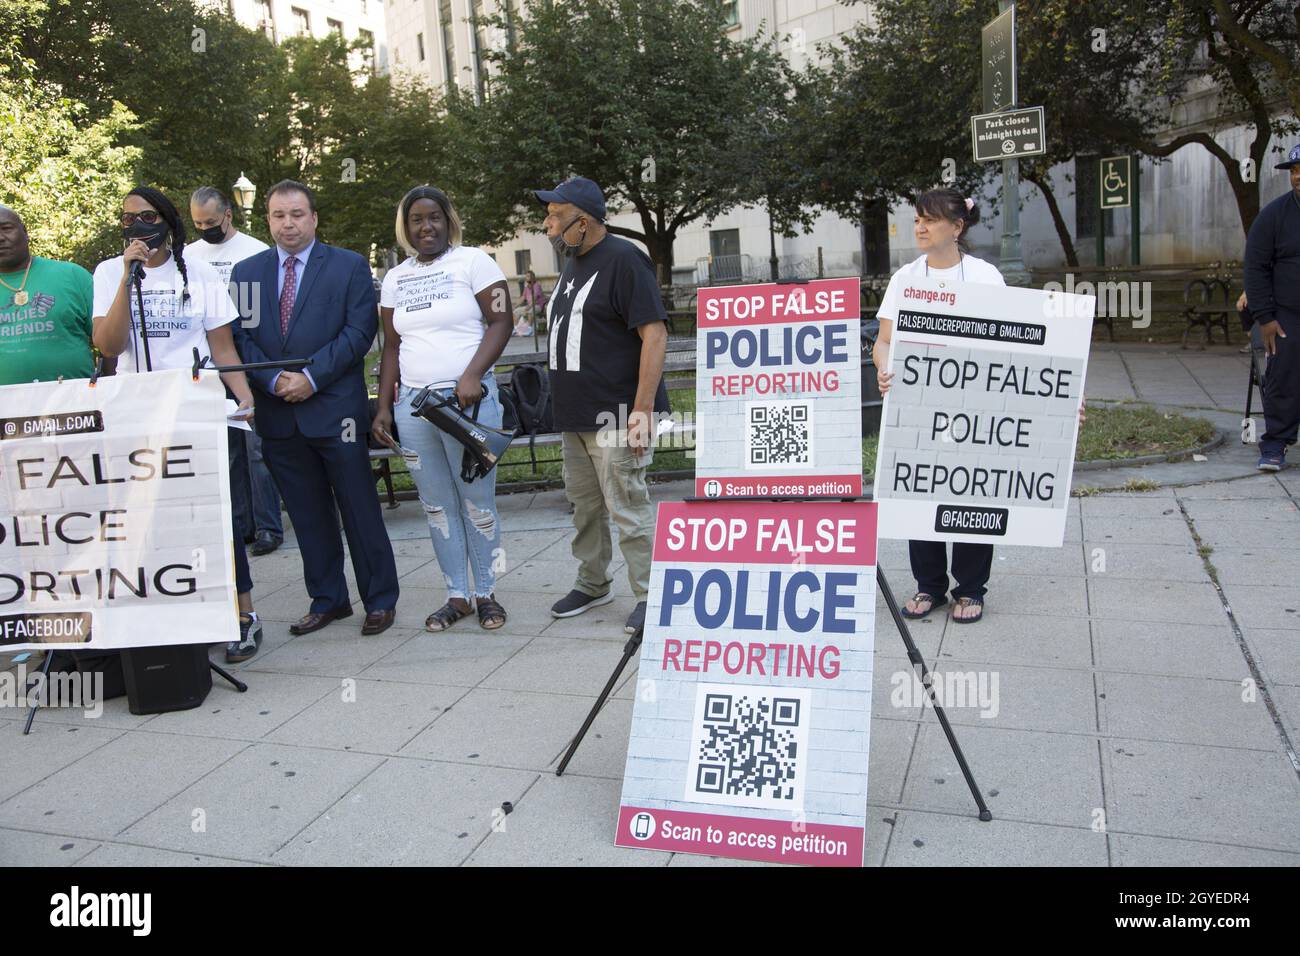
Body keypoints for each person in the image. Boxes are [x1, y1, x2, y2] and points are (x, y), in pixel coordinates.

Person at [90, 186, 264, 662]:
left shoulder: (201, 271)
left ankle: (242, 614)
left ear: (167, 221)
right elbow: (108, 346)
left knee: (215, 516)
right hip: (136, 415)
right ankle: (177, 614)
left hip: (196, 409)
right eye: (127, 218)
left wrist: (245, 396)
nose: (137, 226)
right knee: (150, 521)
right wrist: (129, 276)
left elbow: (223, 347)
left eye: (147, 216)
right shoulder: (109, 272)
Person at [230, 180, 399, 636]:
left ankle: (380, 599)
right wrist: (271, 379)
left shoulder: (347, 266)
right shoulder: (246, 273)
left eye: (297, 214)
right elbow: (241, 338)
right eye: (279, 215)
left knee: (359, 508)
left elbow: (358, 333)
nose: (288, 223)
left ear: (314, 218)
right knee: (306, 514)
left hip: (335, 411)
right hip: (278, 413)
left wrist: (310, 378)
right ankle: (328, 599)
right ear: (267, 220)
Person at [371, 186, 513, 632]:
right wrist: (382, 406)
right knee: (435, 506)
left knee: (476, 501)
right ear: (405, 226)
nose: (425, 226)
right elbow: (392, 347)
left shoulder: (474, 262)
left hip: (466, 404)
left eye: (434, 217)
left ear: (448, 219)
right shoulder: (395, 278)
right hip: (414, 409)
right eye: (416, 219)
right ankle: (458, 595)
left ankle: (487, 592)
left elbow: (502, 321)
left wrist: (472, 374)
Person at [534, 177, 669, 635]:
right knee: (585, 508)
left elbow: (654, 333)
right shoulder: (574, 260)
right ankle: (593, 582)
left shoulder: (626, 261)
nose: (547, 224)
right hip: (575, 413)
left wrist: (642, 409)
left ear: (583, 221)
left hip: (615, 412)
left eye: (555, 216)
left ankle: (652, 593)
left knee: (627, 505)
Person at [187, 186, 284, 556]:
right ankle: (239, 523)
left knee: (256, 449)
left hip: (246, 358)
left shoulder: (255, 251)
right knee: (226, 451)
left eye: (210, 222)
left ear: (228, 215)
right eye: (197, 224)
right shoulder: (189, 257)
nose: (205, 229)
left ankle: (267, 526)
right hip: (209, 366)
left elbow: (262, 317)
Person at [1242, 143, 1300, 472]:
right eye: (1294, 170)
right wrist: (1264, 318)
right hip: (1286, 316)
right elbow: (1255, 267)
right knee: (1284, 376)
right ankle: (1276, 442)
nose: (1298, 176)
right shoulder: (1273, 216)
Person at [0, 205, 95, 385]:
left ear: (25, 232)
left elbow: (109, 343)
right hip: (5, 408)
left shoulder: (73, 276)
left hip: (74, 403)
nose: (0, 238)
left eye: (6, 228)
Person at [512, 269, 546, 336]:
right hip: (529, 306)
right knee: (515, 312)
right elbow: (522, 298)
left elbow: (535, 298)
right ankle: (515, 330)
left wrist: (528, 307)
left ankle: (529, 330)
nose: (526, 278)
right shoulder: (526, 287)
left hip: (538, 306)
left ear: (532, 277)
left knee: (530, 311)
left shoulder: (536, 286)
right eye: (526, 276)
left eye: (528, 276)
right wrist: (514, 306)